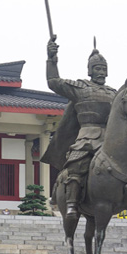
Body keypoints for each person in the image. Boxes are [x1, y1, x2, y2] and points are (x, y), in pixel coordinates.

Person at [41, 36, 117, 218]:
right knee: (76, 166)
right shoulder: (80, 88)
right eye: (98, 69)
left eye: (104, 69)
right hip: (87, 137)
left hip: (110, 139)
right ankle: (72, 204)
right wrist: (52, 58)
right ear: (90, 71)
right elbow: (53, 82)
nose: (101, 73)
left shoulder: (114, 93)